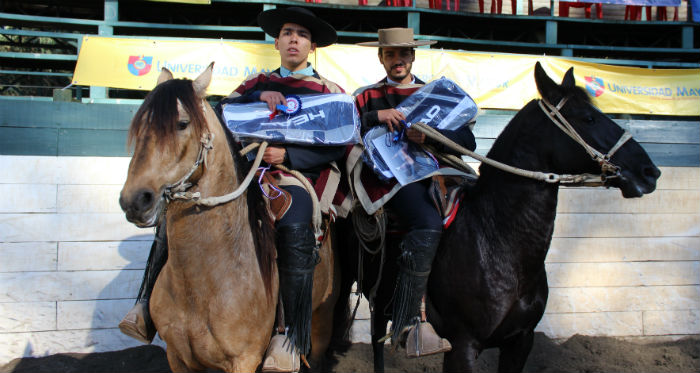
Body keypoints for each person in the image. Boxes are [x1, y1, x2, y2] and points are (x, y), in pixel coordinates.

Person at [119, 7, 346, 373]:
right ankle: (145, 305)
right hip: (244, 175)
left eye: (301, 35)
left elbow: (339, 142)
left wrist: (289, 153)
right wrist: (259, 98)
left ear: (312, 46)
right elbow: (221, 118)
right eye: (287, 32)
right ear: (276, 42)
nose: (293, 39)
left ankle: (287, 335)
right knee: (174, 212)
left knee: (293, 218)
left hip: (292, 175)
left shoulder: (329, 92)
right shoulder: (254, 85)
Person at [353, 28, 477, 358]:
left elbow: (468, 142)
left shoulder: (433, 93)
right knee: (427, 222)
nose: (397, 60)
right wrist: (374, 116)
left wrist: (431, 136)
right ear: (381, 58)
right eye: (390, 54)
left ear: (412, 56)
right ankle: (408, 317)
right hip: (392, 179)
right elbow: (344, 130)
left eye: (403, 53)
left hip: (437, 173)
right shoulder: (366, 96)